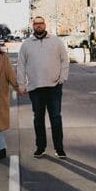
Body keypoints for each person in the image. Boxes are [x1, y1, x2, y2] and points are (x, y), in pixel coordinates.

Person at [17, 16, 69, 159]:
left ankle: (59, 148)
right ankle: (40, 147)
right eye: (36, 24)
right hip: (35, 88)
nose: (39, 26)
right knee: (38, 118)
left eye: (41, 23)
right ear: (33, 26)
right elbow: (21, 65)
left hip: (54, 87)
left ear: (45, 25)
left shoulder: (56, 41)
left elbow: (65, 60)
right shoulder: (27, 44)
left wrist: (62, 78)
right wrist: (21, 84)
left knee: (56, 118)